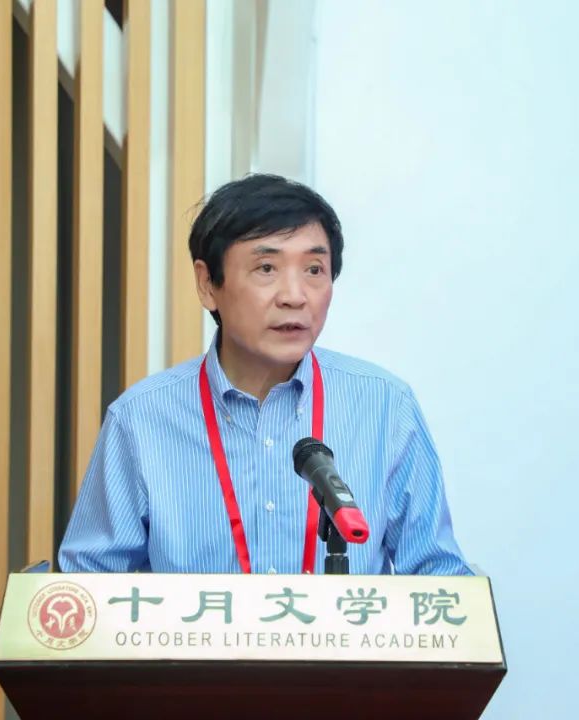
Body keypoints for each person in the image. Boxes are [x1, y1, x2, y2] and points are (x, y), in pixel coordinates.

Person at [58, 174, 470, 575]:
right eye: (267, 268)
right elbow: (87, 589)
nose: (294, 296)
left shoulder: (385, 407)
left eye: (314, 270)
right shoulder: (140, 420)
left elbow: (440, 579)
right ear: (207, 284)